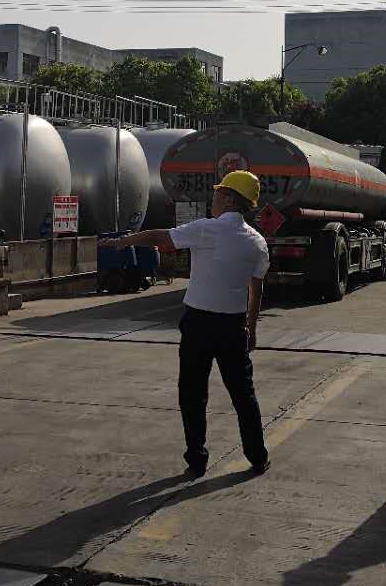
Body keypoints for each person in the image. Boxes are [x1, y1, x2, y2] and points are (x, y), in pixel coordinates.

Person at [101, 170, 271, 478]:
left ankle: (196, 460)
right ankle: (258, 457)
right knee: (243, 395)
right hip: (233, 328)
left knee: (192, 393)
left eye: (217, 194)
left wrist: (125, 241)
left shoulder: (207, 229)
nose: (212, 200)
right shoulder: (257, 242)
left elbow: (161, 237)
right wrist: (252, 328)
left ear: (229, 199)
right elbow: (255, 290)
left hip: (198, 324)